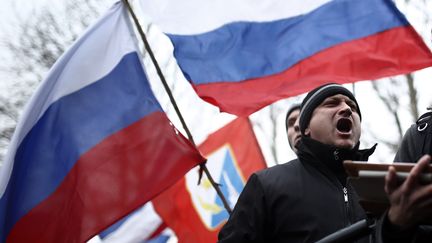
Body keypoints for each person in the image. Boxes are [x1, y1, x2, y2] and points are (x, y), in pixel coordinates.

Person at [218, 83, 377, 242]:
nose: (347, 109)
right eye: (331, 104)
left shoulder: (381, 188)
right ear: (306, 127)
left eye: (353, 107)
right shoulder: (267, 184)